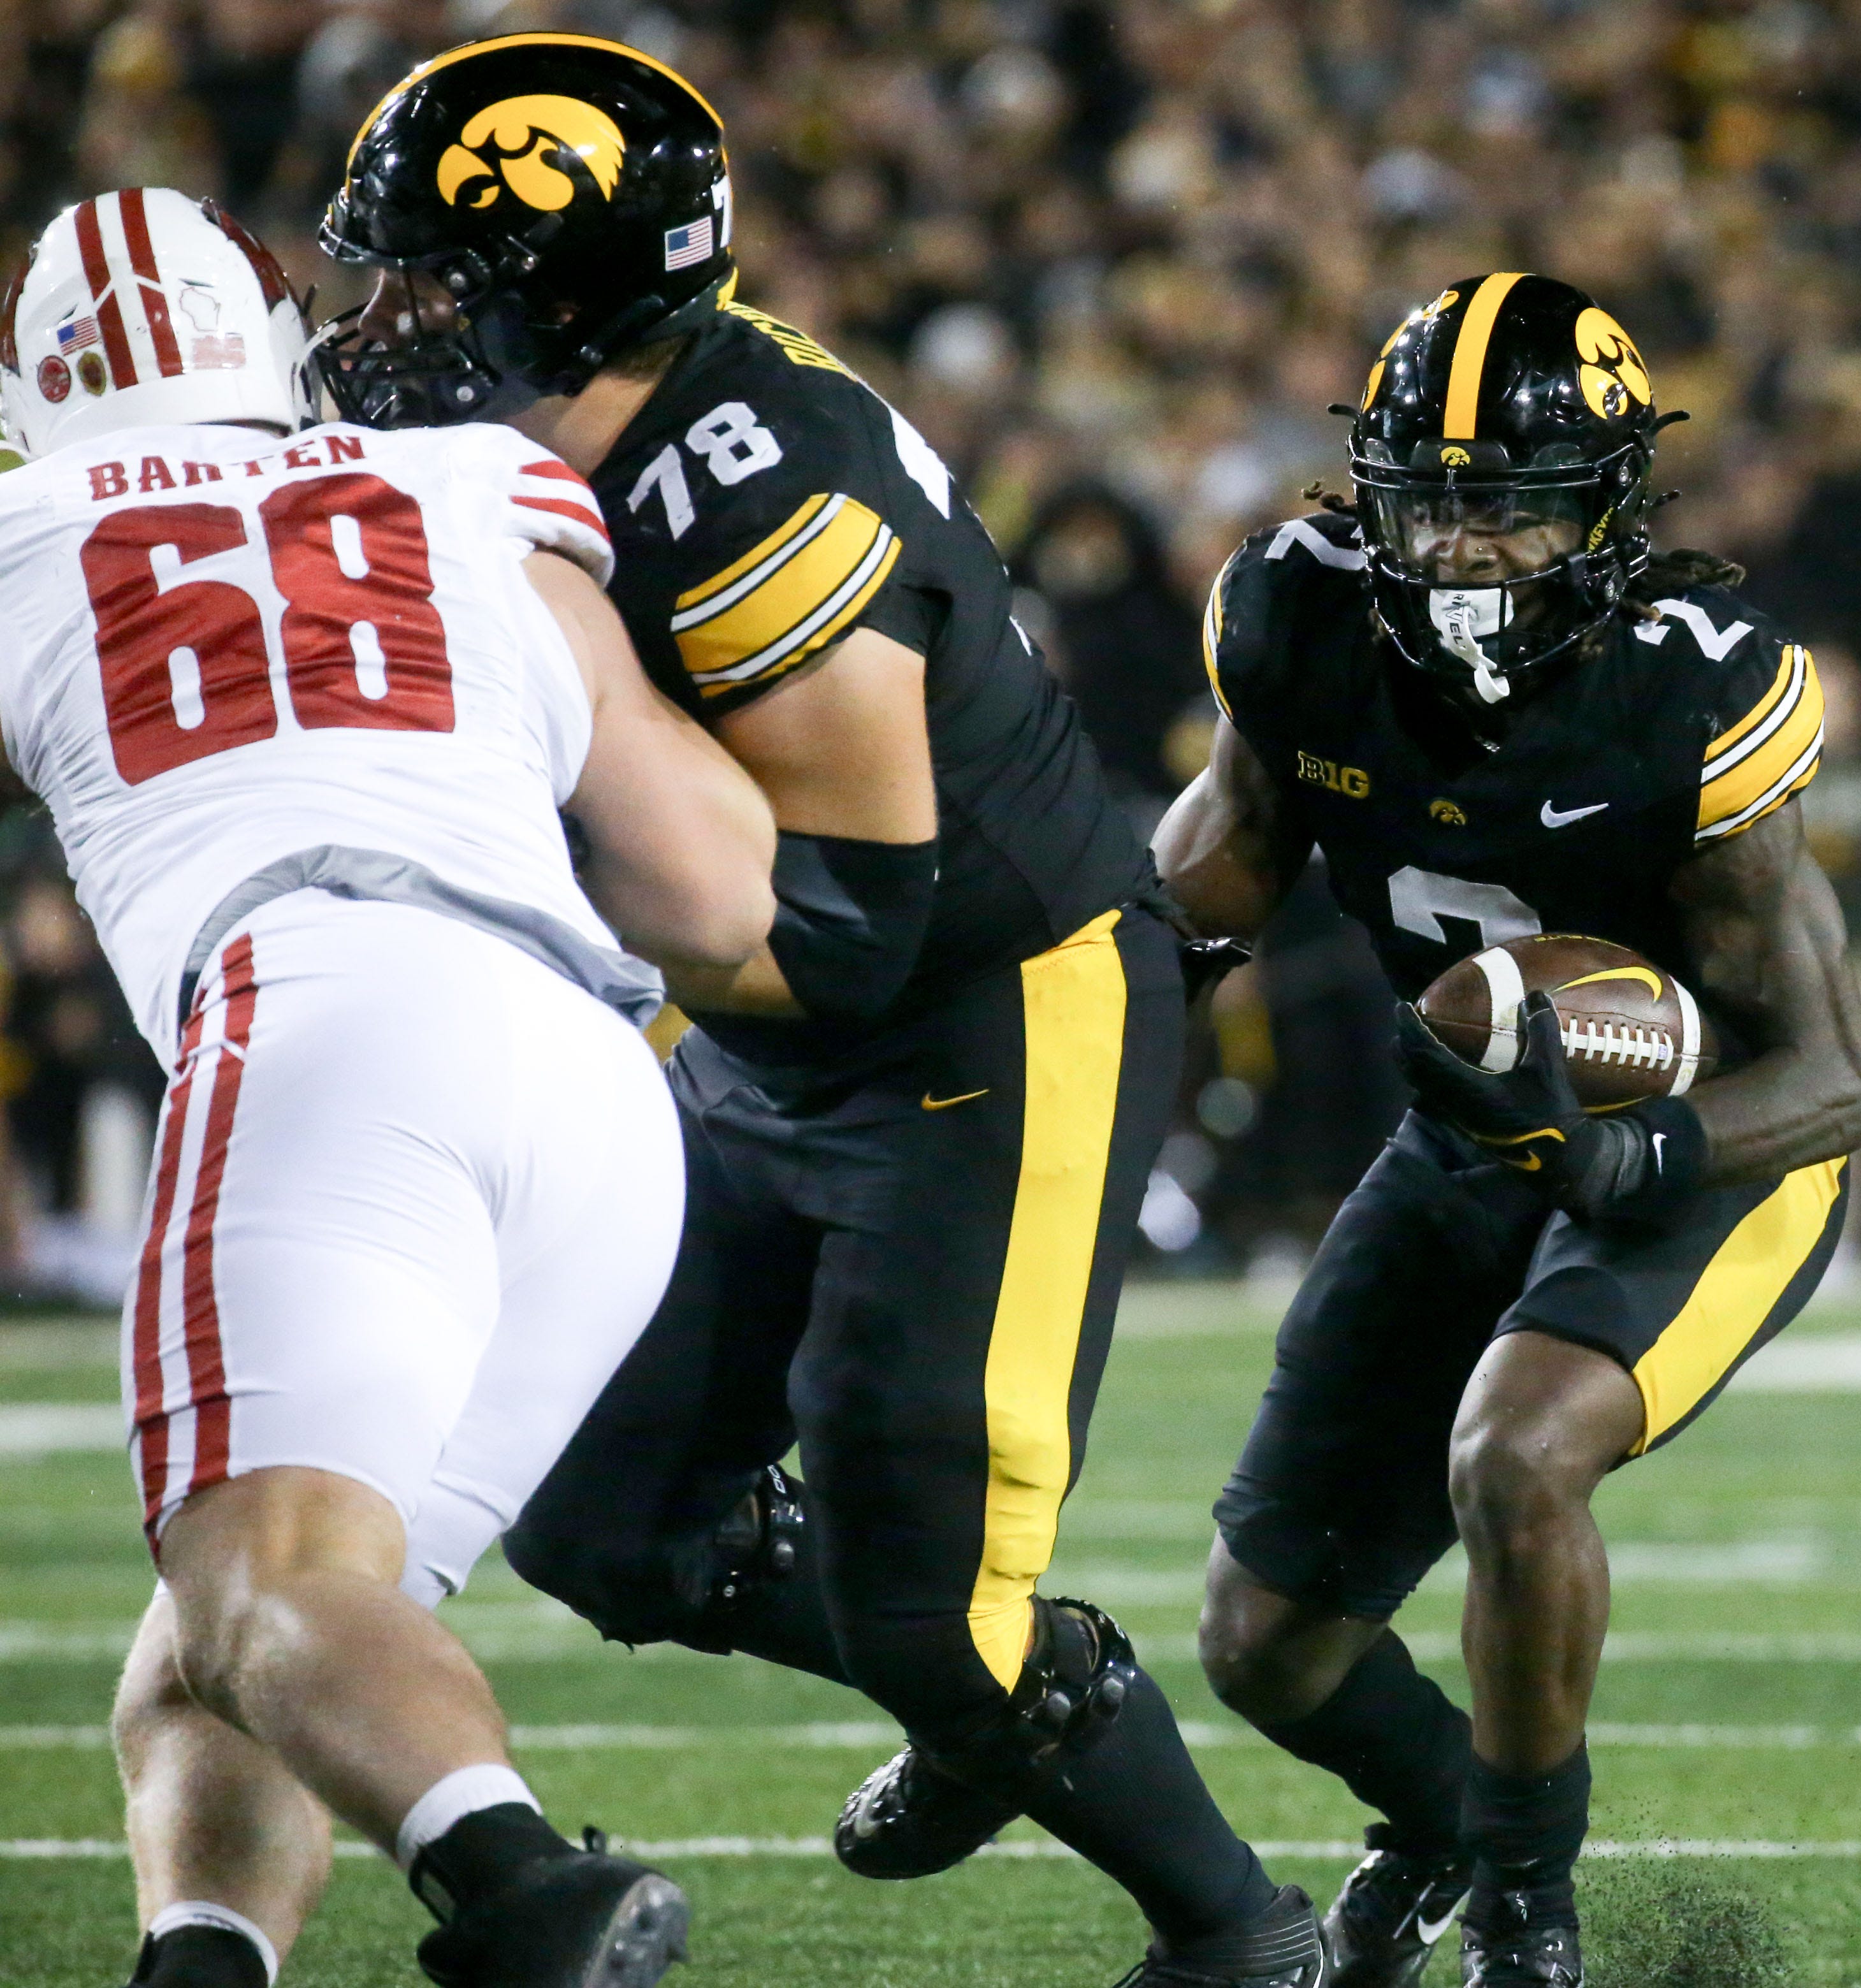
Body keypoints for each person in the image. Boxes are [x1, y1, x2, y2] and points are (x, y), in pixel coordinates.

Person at [311, 36, 1325, 1987]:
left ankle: (1234, 1929)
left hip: (980, 1012)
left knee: (931, 1591)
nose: (385, 324)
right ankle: (984, 1696)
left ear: (571, 301)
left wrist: (547, 909)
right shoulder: (557, 431)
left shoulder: (757, 486)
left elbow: (850, 926)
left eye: (435, 282)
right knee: (609, 1521)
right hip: (767, 1022)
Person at [0, 187, 776, 1988]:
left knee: (265, 1591)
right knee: (238, 1636)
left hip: (322, 1026)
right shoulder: (466, 486)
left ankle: (523, 1889)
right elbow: (716, 887)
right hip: (594, 1086)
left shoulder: (25, 529)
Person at [1155, 273, 1861, 1988]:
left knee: (1516, 1452)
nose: (1473, 546)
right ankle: (1432, 1820)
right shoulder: (1292, 614)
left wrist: (1634, 1159)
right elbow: (1198, 893)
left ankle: (1524, 1910)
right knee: (1265, 1645)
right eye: (1439, 499)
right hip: (1462, 1126)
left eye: (1523, 504)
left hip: (1706, 1147)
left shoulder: (1687, 686)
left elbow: (1826, 1074)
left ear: (1609, 505)